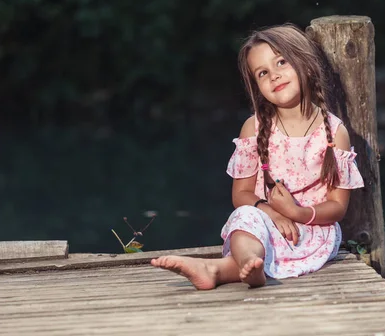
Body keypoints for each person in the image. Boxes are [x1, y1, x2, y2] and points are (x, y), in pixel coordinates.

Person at [151, 24, 364, 289]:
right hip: (265, 222)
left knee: (259, 230)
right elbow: (241, 194)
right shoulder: (254, 129)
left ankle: (219, 269)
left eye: (282, 62)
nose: (274, 76)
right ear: (257, 86)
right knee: (244, 217)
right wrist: (273, 214)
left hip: (310, 231)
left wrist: (296, 212)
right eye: (263, 73)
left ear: (307, 65)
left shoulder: (334, 132)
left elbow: (337, 207)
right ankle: (250, 264)